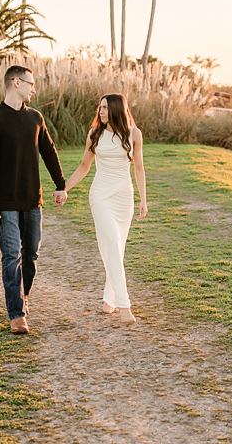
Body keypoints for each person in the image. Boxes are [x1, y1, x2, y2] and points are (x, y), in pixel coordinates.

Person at [0, 65, 67, 335]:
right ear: (16, 82)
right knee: (11, 255)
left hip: (32, 201)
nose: (33, 89)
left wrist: (60, 185)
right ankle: (17, 314)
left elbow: (49, 152)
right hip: (5, 204)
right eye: (30, 83)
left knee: (31, 254)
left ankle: (23, 295)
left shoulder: (35, 118)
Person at [63, 94, 147, 325]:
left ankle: (109, 299)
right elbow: (84, 166)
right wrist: (64, 188)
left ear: (117, 110)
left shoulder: (134, 134)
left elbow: (139, 167)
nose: (100, 111)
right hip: (100, 196)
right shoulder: (94, 134)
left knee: (116, 249)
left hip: (124, 197)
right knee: (111, 243)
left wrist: (143, 199)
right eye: (100, 107)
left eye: (106, 108)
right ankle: (124, 306)